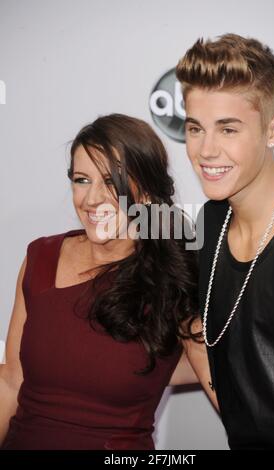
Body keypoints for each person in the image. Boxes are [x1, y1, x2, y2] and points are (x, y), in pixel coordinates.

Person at [0, 113, 215, 450]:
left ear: (146, 192)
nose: (91, 199)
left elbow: (223, 383)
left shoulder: (174, 276)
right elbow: (11, 381)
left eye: (111, 182)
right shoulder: (40, 257)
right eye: (82, 180)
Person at [176, 33, 274, 450]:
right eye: (195, 128)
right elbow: (202, 334)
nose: (206, 150)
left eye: (228, 129)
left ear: (273, 129)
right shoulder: (209, 223)